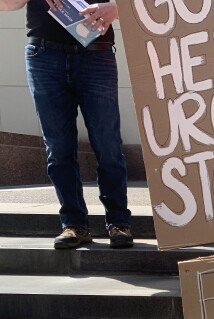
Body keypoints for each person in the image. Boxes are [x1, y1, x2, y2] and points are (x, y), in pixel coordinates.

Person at [0, 0, 133, 249]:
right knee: (58, 147)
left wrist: (117, 8)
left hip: (97, 53)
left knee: (108, 145)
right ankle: (74, 224)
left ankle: (119, 223)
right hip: (43, 55)